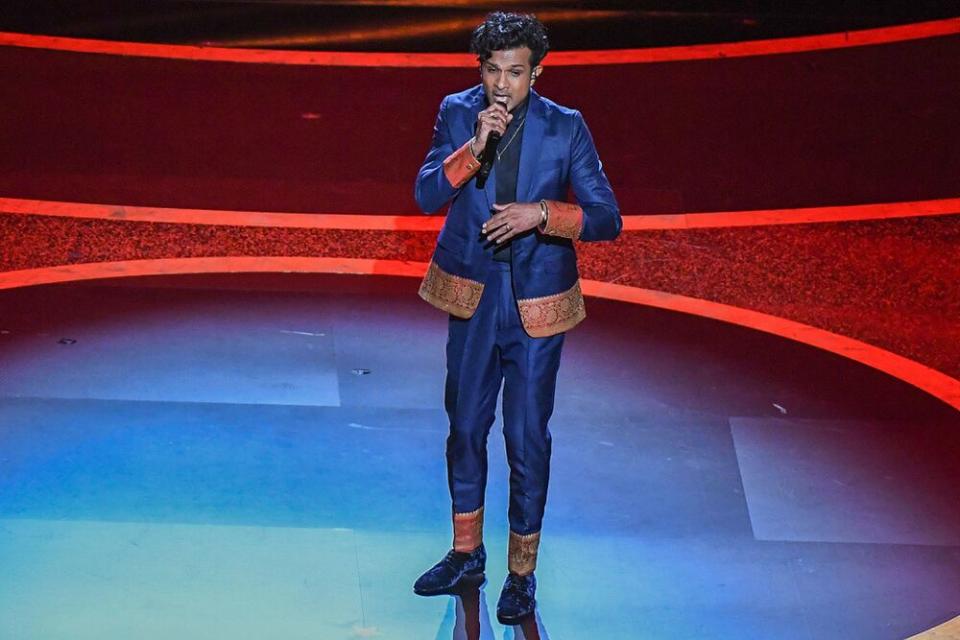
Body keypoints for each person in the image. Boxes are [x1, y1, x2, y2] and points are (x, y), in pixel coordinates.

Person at [412, 11, 620, 624]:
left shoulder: (566, 127)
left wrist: (542, 215)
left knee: (527, 439)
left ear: (536, 72)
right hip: (472, 295)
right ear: (480, 70)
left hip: (535, 302)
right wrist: (473, 149)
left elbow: (608, 217)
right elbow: (426, 194)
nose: (503, 86)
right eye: (493, 71)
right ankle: (465, 553)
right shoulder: (457, 112)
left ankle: (522, 574)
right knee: (465, 427)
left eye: (516, 72)